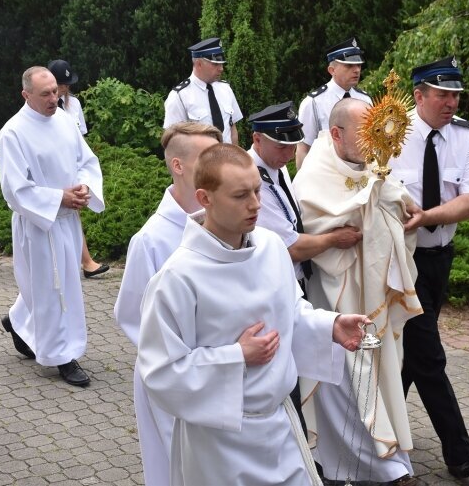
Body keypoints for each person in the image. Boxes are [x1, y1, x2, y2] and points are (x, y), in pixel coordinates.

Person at [137, 143, 371, 486]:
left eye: (258, 190)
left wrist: (330, 325)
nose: (256, 204)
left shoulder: (272, 247)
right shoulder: (178, 277)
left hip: (279, 427)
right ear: (205, 199)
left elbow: (291, 311)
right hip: (220, 441)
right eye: (240, 195)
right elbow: (160, 371)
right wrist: (236, 356)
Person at [293, 97, 422, 485]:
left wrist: (399, 203)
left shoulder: (370, 165)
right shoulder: (314, 172)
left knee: (379, 371)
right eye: (365, 134)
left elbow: (389, 201)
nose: (374, 143)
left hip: (374, 294)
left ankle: (379, 459)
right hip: (337, 296)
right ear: (336, 134)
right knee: (349, 381)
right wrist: (342, 230)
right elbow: (314, 223)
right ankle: (383, 468)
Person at [388, 56, 469, 479]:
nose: (451, 102)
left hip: (439, 257)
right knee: (428, 353)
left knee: (412, 356)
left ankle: (378, 432)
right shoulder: (391, 132)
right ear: (419, 95)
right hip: (401, 259)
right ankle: (459, 452)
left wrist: (428, 217)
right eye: (443, 94)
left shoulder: (467, 137)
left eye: (455, 95)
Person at [246, 101, 363, 442]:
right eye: (280, 144)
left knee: (298, 372)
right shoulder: (253, 176)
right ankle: (299, 452)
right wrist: (333, 238)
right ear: (256, 139)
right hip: (272, 286)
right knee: (286, 379)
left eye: (291, 143)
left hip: (295, 283)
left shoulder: (275, 168)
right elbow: (290, 246)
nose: (288, 152)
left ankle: (306, 450)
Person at [114, 121, 222, 486]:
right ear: (178, 166)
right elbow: (131, 315)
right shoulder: (152, 239)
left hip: (222, 372)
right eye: (207, 158)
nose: (217, 165)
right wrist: (186, 360)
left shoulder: (226, 224)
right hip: (173, 380)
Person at [0, 66, 104, 387]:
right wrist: (59, 198)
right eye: (44, 94)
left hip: (67, 221)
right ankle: (62, 357)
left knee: (58, 284)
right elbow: (15, 189)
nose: (52, 98)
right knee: (52, 290)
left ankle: (18, 320)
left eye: (55, 92)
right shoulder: (13, 132)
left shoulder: (64, 121)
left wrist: (84, 186)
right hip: (39, 224)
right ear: (25, 95)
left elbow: (86, 161)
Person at [47, 58, 109, 278]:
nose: (64, 89)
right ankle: (85, 261)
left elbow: (80, 138)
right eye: (60, 85)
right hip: (54, 166)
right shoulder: (40, 108)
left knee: (73, 213)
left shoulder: (74, 104)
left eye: (66, 85)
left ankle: (81, 260)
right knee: (68, 212)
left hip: (74, 164)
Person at [296, 37, 372, 169]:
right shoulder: (313, 103)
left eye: (359, 64)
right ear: (332, 70)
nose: (357, 70)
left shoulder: (365, 100)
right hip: (326, 178)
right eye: (349, 65)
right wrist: (304, 185)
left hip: (361, 177)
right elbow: (303, 149)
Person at [163, 37, 243, 146]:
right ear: (199, 64)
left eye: (221, 63)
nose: (221, 68)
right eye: (215, 64)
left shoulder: (225, 89)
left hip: (227, 159)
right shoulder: (180, 96)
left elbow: (232, 128)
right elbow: (173, 141)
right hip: (199, 161)